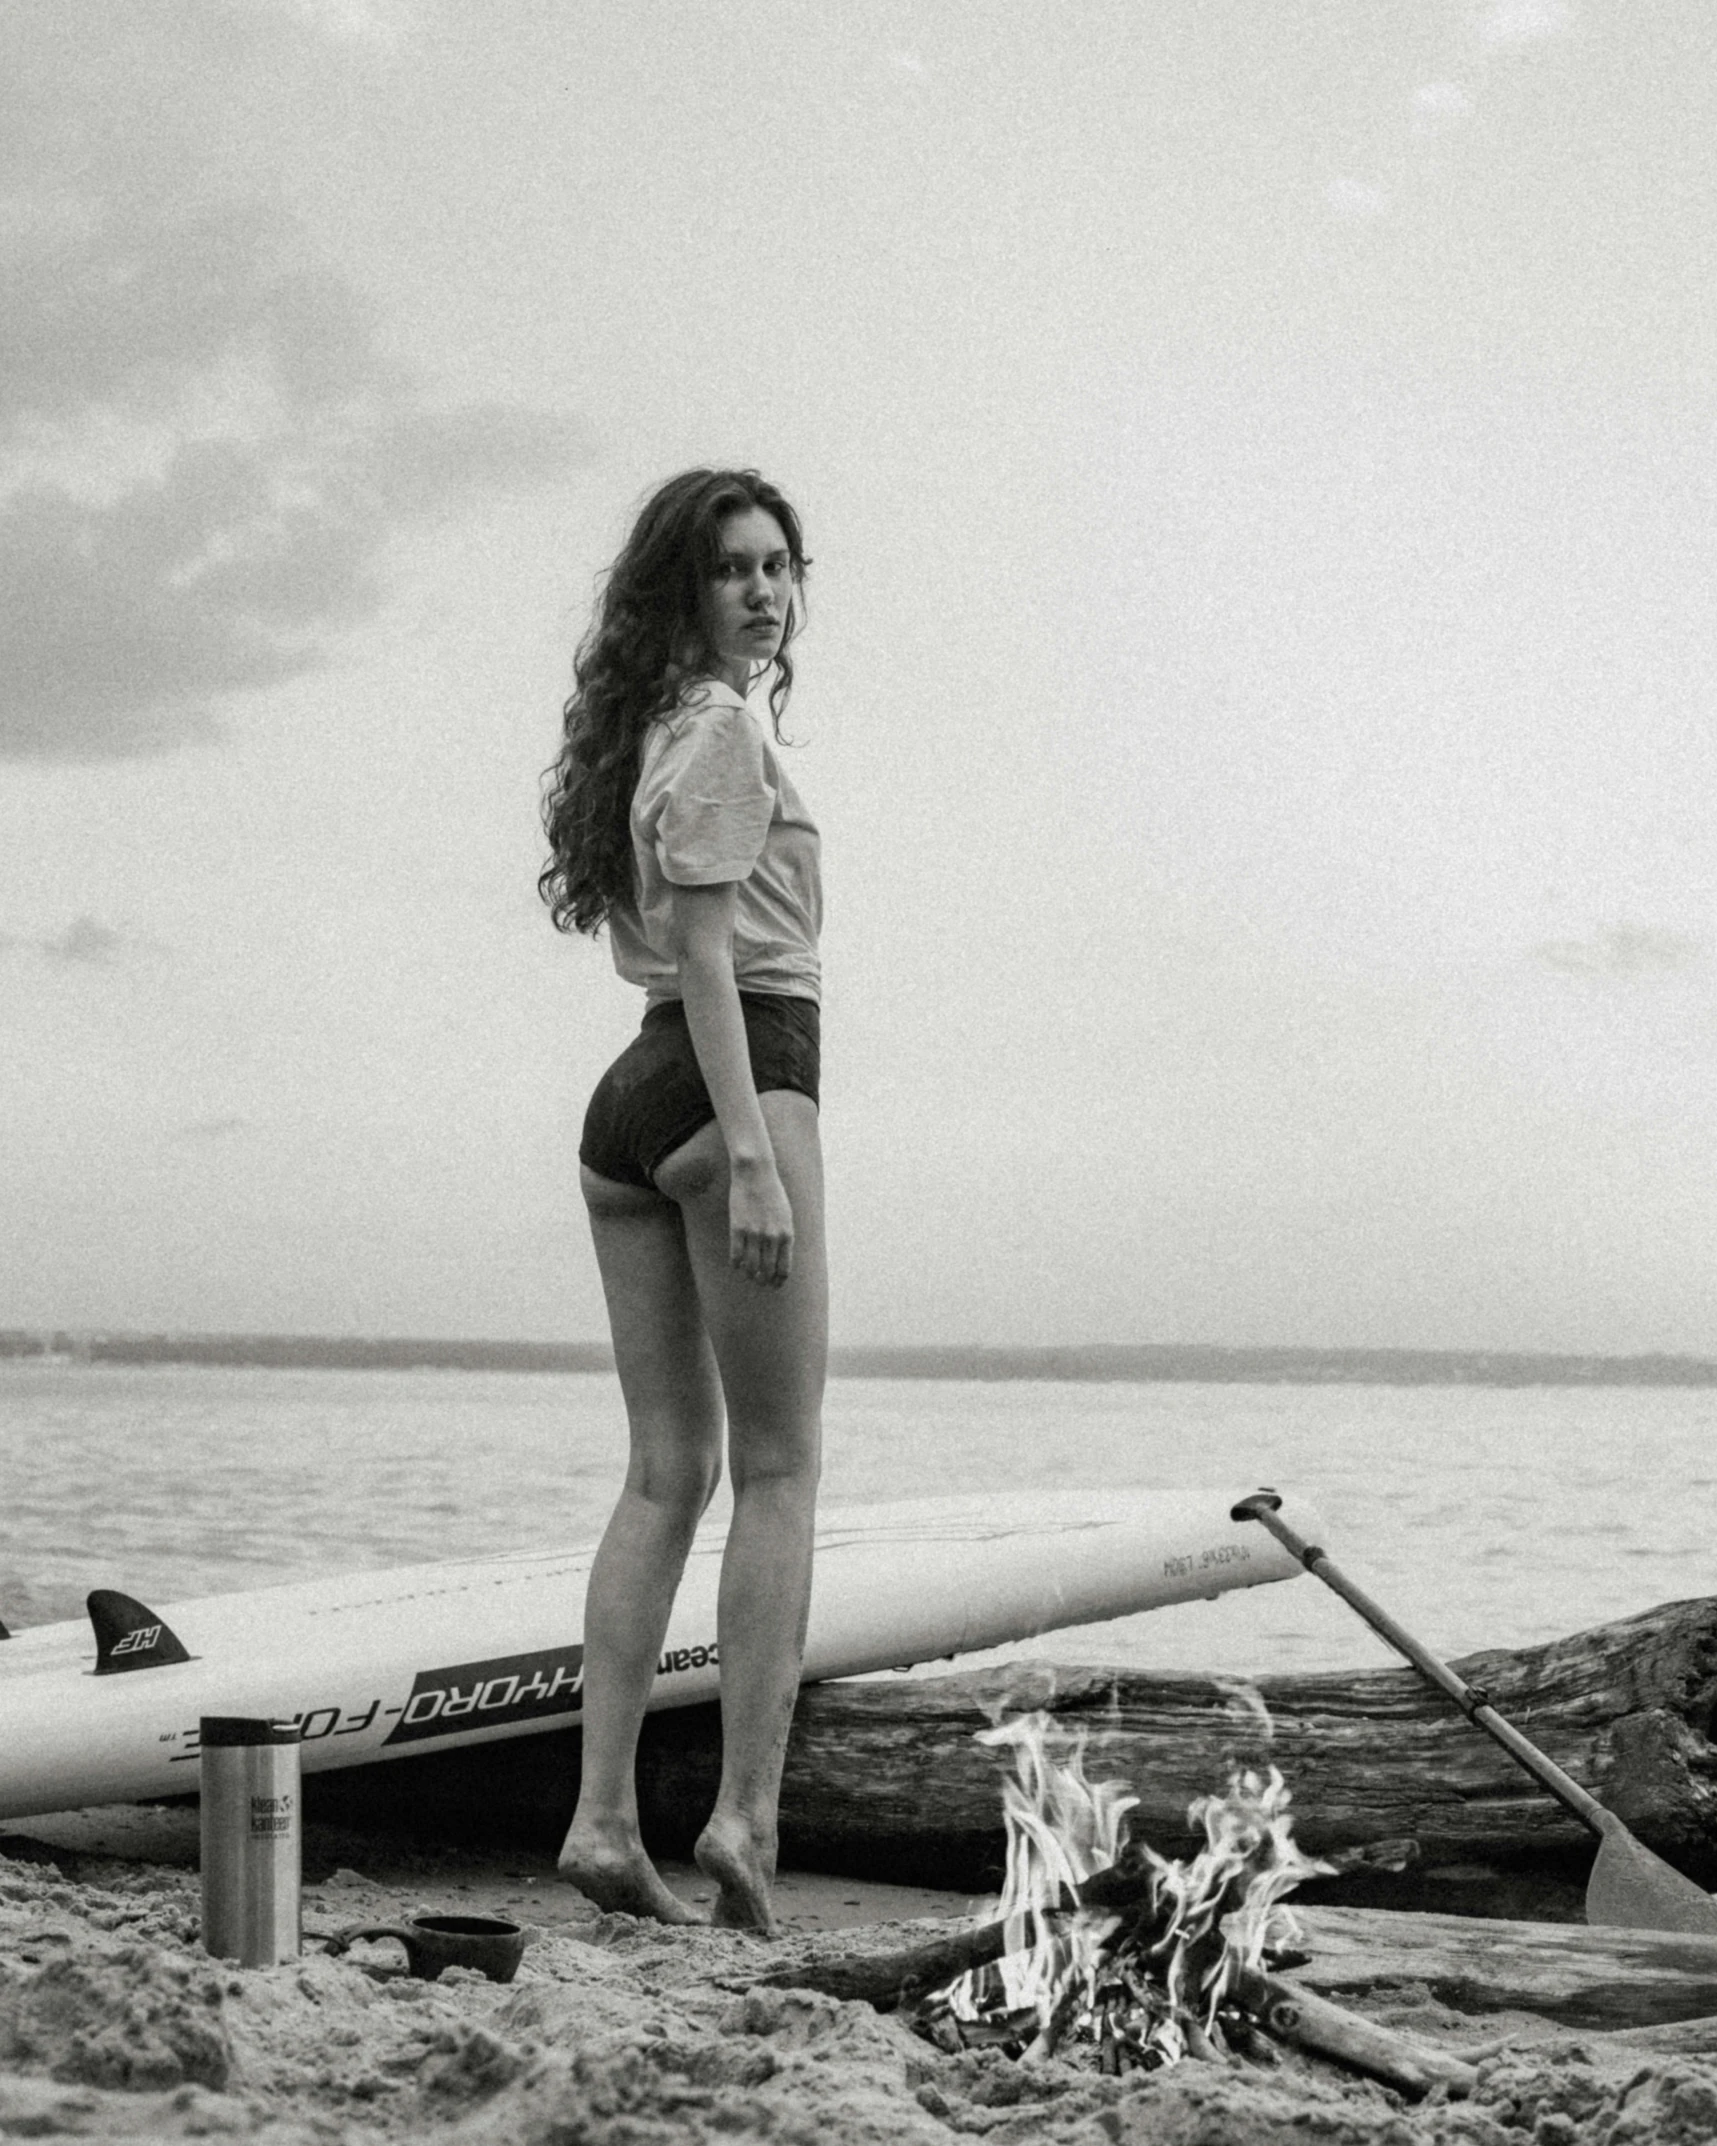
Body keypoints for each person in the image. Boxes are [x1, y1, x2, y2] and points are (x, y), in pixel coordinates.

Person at [537, 469, 824, 1935]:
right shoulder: (720, 727)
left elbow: (662, 954)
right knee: (778, 1465)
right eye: (732, 570)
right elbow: (712, 959)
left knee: (665, 1471)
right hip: (733, 1072)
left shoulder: (649, 728)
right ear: (684, 589)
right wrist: (759, 1151)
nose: (764, 592)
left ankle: (599, 1819)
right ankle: (746, 1820)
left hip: (628, 1103)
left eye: (780, 566)